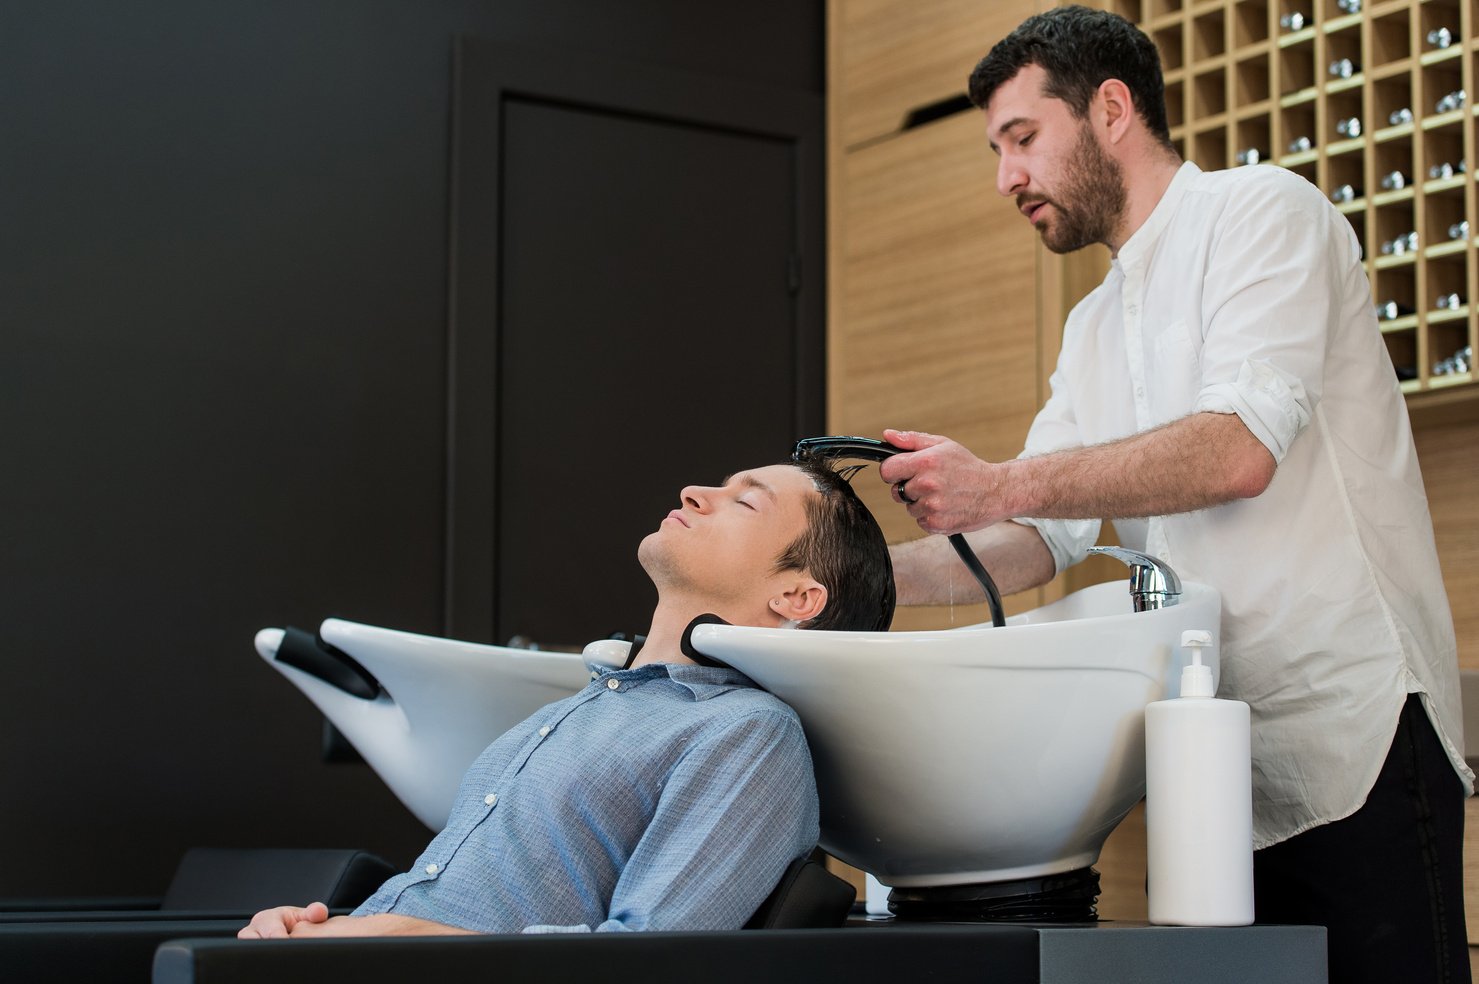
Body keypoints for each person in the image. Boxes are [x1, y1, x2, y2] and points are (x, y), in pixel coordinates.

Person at [876, 7, 1471, 983]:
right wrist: (847, 585)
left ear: (1111, 109)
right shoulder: (1093, 325)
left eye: (1022, 139)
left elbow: (1238, 451)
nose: (1005, 178)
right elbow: (1042, 539)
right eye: (995, 150)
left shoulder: (1265, 215)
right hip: (1212, 774)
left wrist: (999, 483)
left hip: (1356, 742)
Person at [239, 459, 895, 938]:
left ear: (796, 597)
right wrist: (324, 927)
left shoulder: (746, 734)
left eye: (742, 502)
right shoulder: (575, 711)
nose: (693, 491)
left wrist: (405, 940)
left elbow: (651, 961)